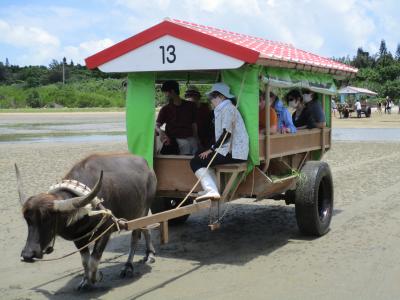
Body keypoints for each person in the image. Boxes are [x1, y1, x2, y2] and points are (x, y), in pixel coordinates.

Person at [190, 82, 249, 200]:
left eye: (213, 96)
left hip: (234, 153)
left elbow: (226, 133)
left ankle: (211, 190)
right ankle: (212, 188)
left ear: (222, 97)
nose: (210, 99)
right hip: (231, 151)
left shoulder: (227, 109)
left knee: (195, 161)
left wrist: (212, 149)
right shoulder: (225, 108)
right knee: (199, 154)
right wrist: (211, 149)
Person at [156, 80, 199, 155]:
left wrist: (197, 139)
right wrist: (160, 131)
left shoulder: (191, 106)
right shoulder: (165, 109)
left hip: (191, 140)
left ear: (172, 91)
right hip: (175, 142)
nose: (165, 95)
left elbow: (194, 124)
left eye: (165, 92)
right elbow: (157, 125)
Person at [185, 85, 214, 150]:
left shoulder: (206, 107)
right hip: (193, 138)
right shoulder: (186, 109)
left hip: (207, 137)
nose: (189, 98)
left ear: (197, 97)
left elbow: (211, 122)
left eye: (191, 95)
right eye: (188, 96)